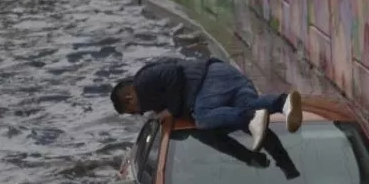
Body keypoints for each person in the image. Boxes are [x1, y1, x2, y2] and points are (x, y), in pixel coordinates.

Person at [110, 56, 304, 152]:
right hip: (225, 74)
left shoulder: (142, 82)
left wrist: (171, 110)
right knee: (247, 103)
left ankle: (250, 118)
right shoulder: (151, 92)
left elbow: (173, 73)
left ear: (129, 99)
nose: (139, 113)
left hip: (209, 78)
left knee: (202, 117)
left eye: (132, 111)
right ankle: (283, 103)